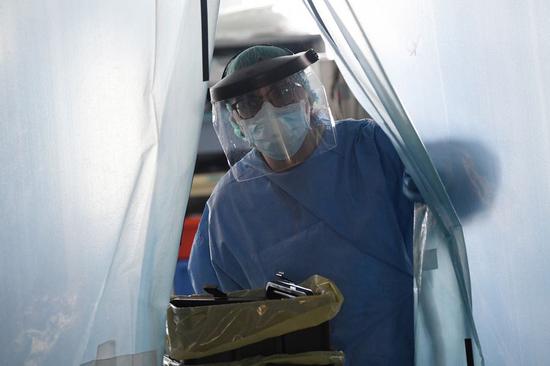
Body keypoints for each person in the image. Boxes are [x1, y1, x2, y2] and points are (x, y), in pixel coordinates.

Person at [188, 45, 414, 365]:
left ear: (307, 96)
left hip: (402, 348)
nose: (269, 110)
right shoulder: (227, 210)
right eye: (250, 102)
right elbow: (223, 322)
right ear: (235, 119)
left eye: (282, 91)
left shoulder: (371, 150)